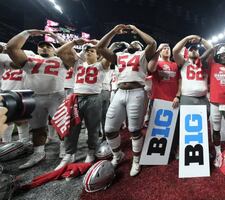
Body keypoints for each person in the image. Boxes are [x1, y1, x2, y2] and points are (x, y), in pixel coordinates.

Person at [97, 24, 156, 176]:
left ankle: (136, 159)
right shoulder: (119, 56)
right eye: (132, 43)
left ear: (140, 47)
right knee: (109, 129)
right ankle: (118, 156)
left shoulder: (143, 54)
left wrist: (136, 29)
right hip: (119, 92)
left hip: (137, 92)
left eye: (137, 44)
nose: (133, 45)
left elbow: (152, 43)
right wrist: (114, 31)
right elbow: (100, 47)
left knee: (134, 130)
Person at [7, 29, 68, 169]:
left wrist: (55, 36)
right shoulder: (29, 60)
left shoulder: (61, 59)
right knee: (37, 128)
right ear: (37, 49)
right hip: (34, 96)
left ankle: (66, 149)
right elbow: (11, 48)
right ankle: (39, 152)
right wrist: (27, 32)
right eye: (42, 46)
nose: (45, 48)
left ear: (55, 50)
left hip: (56, 96)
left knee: (62, 126)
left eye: (48, 46)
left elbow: (69, 49)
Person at [54, 39, 111, 170]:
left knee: (93, 128)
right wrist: (74, 42)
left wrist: (99, 44)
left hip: (94, 98)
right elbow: (59, 51)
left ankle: (91, 151)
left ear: (98, 54)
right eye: (87, 51)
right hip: (76, 98)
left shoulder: (102, 64)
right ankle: (69, 154)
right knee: (72, 128)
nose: (89, 52)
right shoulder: (77, 63)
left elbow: (108, 53)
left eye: (92, 51)